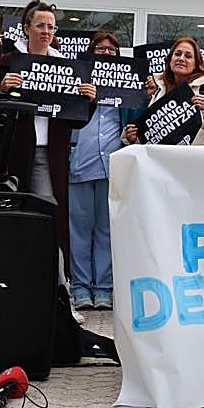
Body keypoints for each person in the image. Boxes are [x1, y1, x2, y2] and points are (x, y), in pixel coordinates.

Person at [0, 0, 97, 283]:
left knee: (52, 219)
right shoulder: (8, 62)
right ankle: (16, 285)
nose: (46, 31)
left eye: (51, 26)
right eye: (40, 25)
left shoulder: (67, 67)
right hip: (15, 154)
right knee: (17, 220)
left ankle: (59, 290)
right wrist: (2, 89)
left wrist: (87, 99)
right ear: (26, 28)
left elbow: (76, 120)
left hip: (50, 155)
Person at [67, 30, 133, 311]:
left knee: (107, 231)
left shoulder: (127, 87)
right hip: (80, 166)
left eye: (112, 50)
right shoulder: (76, 83)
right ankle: (81, 288)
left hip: (112, 167)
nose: (106, 54)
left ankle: (104, 288)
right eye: (100, 49)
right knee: (79, 231)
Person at [124, 37, 204, 145]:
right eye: (177, 54)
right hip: (162, 160)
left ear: (196, 63)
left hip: (194, 160)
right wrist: (135, 137)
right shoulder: (160, 89)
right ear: (170, 60)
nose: (181, 58)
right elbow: (154, 134)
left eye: (188, 56)